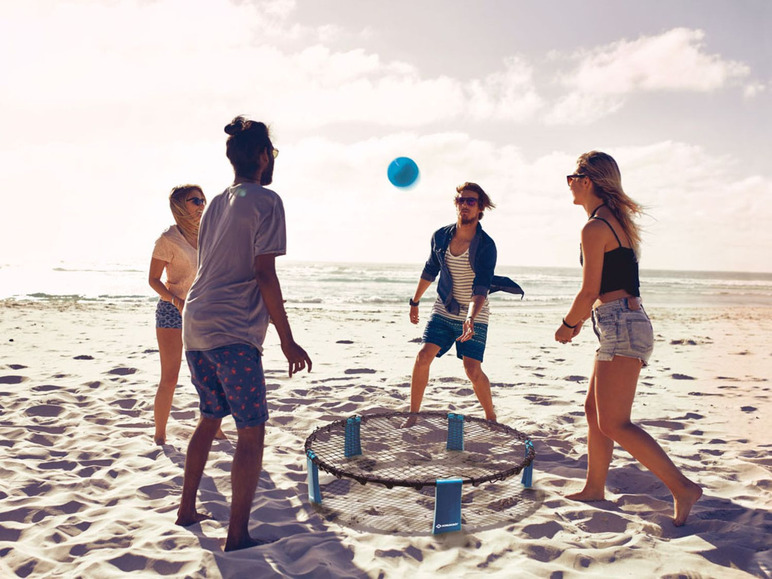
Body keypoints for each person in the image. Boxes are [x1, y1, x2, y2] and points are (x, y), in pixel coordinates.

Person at [175, 116, 312, 551]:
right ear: (259, 156)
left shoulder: (216, 202)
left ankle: (186, 510)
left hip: (195, 324)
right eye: (270, 152)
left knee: (210, 416)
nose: (272, 159)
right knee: (251, 430)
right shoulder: (267, 200)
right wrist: (286, 339)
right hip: (232, 331)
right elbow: (263, 273)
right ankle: (237, 535)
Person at [555, 151, 701, 526]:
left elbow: (589, 292)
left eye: (571, 176)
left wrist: (568, 326)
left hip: (620, 324)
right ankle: (594, 487)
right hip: (622, 323)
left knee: (615, 422)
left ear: (587, 181)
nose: (568, 183)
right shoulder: (615, 221)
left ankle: (682, 487)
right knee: (595, 412)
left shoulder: (595, 227)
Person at [407, 182, 522, 425]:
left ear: (480, 208)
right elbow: (430, 269)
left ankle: (491, 416)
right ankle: (413, 415)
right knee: (423, 356)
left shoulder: (486, 246)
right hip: (444, 308)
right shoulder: (440, 236)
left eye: (471, 201)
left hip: (475, 313)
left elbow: (481, 286)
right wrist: (415, 301)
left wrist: (469, 318)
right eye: (461, 200)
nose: (465, 205)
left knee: (472, 370)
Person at [148, 185, 223, 445]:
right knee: (170, 376)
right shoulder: (168, 239)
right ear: (181, 205)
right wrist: (175, 299)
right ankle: (159, 434)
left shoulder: (208, 234)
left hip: (203, 310)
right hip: (172, 311)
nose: (202, 204)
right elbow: (153, 280)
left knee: (211, 373)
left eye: (203, 199)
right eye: (195, 200)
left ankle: (216, 428)